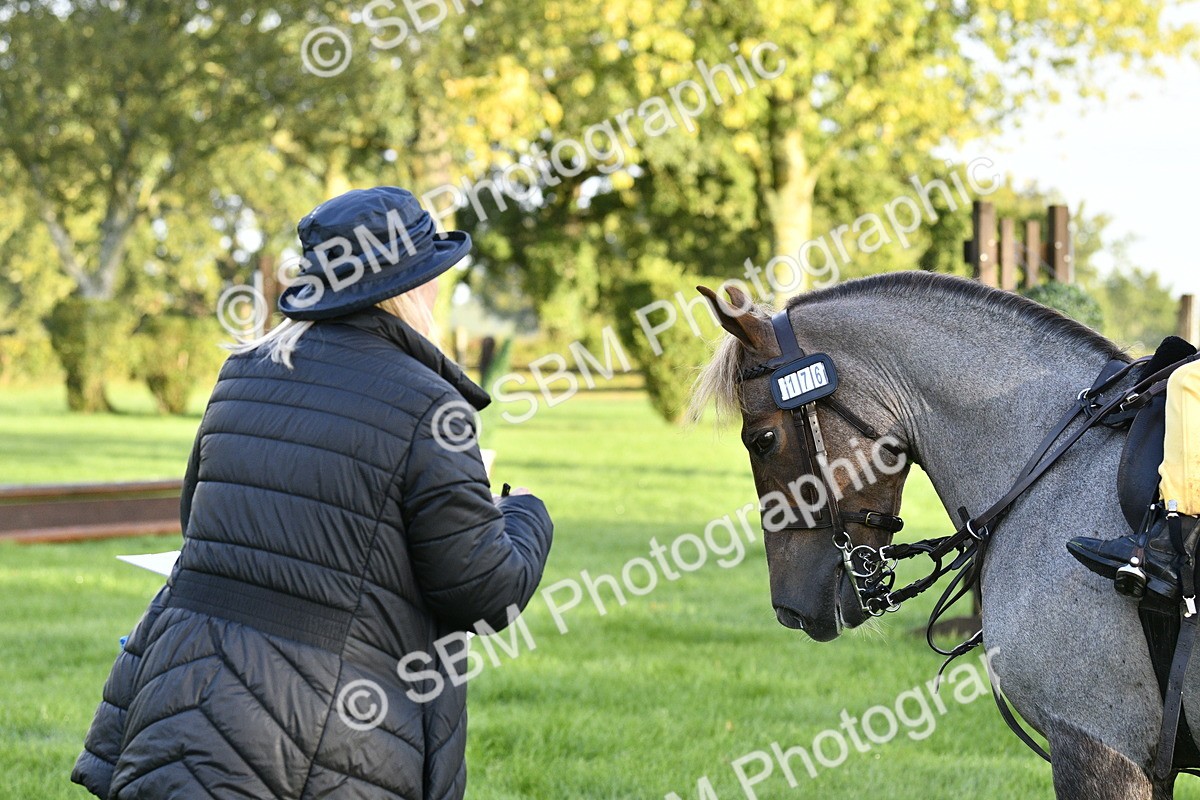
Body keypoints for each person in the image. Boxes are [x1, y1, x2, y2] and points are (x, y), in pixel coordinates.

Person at [71, 187, 554, 800]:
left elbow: (200, 521)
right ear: (409, 288)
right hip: (327, 731)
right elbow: (485, 594)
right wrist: (525, 512)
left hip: (181, 694)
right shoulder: (430, 404)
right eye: (433, 275)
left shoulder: (241, 373)